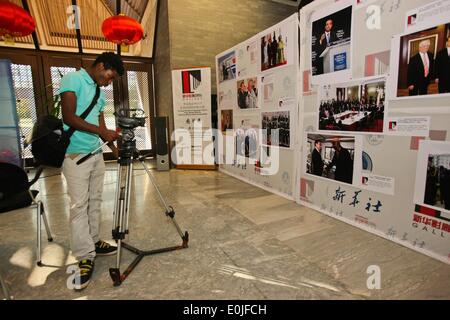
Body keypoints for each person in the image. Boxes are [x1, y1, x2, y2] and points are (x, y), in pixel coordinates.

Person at [60, 52, 123, 290]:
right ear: (101, 65)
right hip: (75, 155)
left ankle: (95, 242)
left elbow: (101, 124)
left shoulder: (99, 90)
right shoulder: (72, 79)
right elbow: (69, 117)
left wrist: (112, 147)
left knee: (95, 201)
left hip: (95, 154)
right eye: (110, 76)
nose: (109, 81)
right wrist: (102, 132)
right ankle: (84, 256)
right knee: (79, 207)